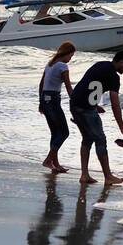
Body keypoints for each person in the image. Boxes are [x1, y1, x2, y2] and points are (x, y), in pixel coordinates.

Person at [67, 49, 123, 186]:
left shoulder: (100, 65)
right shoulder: (114, 77)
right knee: (100, 139)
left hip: (75, 104)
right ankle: (108, 176)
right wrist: (122, 128)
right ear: (121, 62)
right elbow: (115, 104)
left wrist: (95, 105)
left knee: (87, 138)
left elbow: (87, 85)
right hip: (85, 108)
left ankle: (84, 175)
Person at [38, 41, 76, 174]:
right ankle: (49, 160)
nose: (70, 60)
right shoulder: (62, 66)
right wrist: (78, 102)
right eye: (70, 56)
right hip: (53, 100)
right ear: (66, 53)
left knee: (55, 133)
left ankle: (55, 163)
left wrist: (40, 102)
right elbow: (69, 88)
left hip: (45, 99)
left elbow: (41, 84)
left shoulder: (49, 65)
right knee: (64, 132)